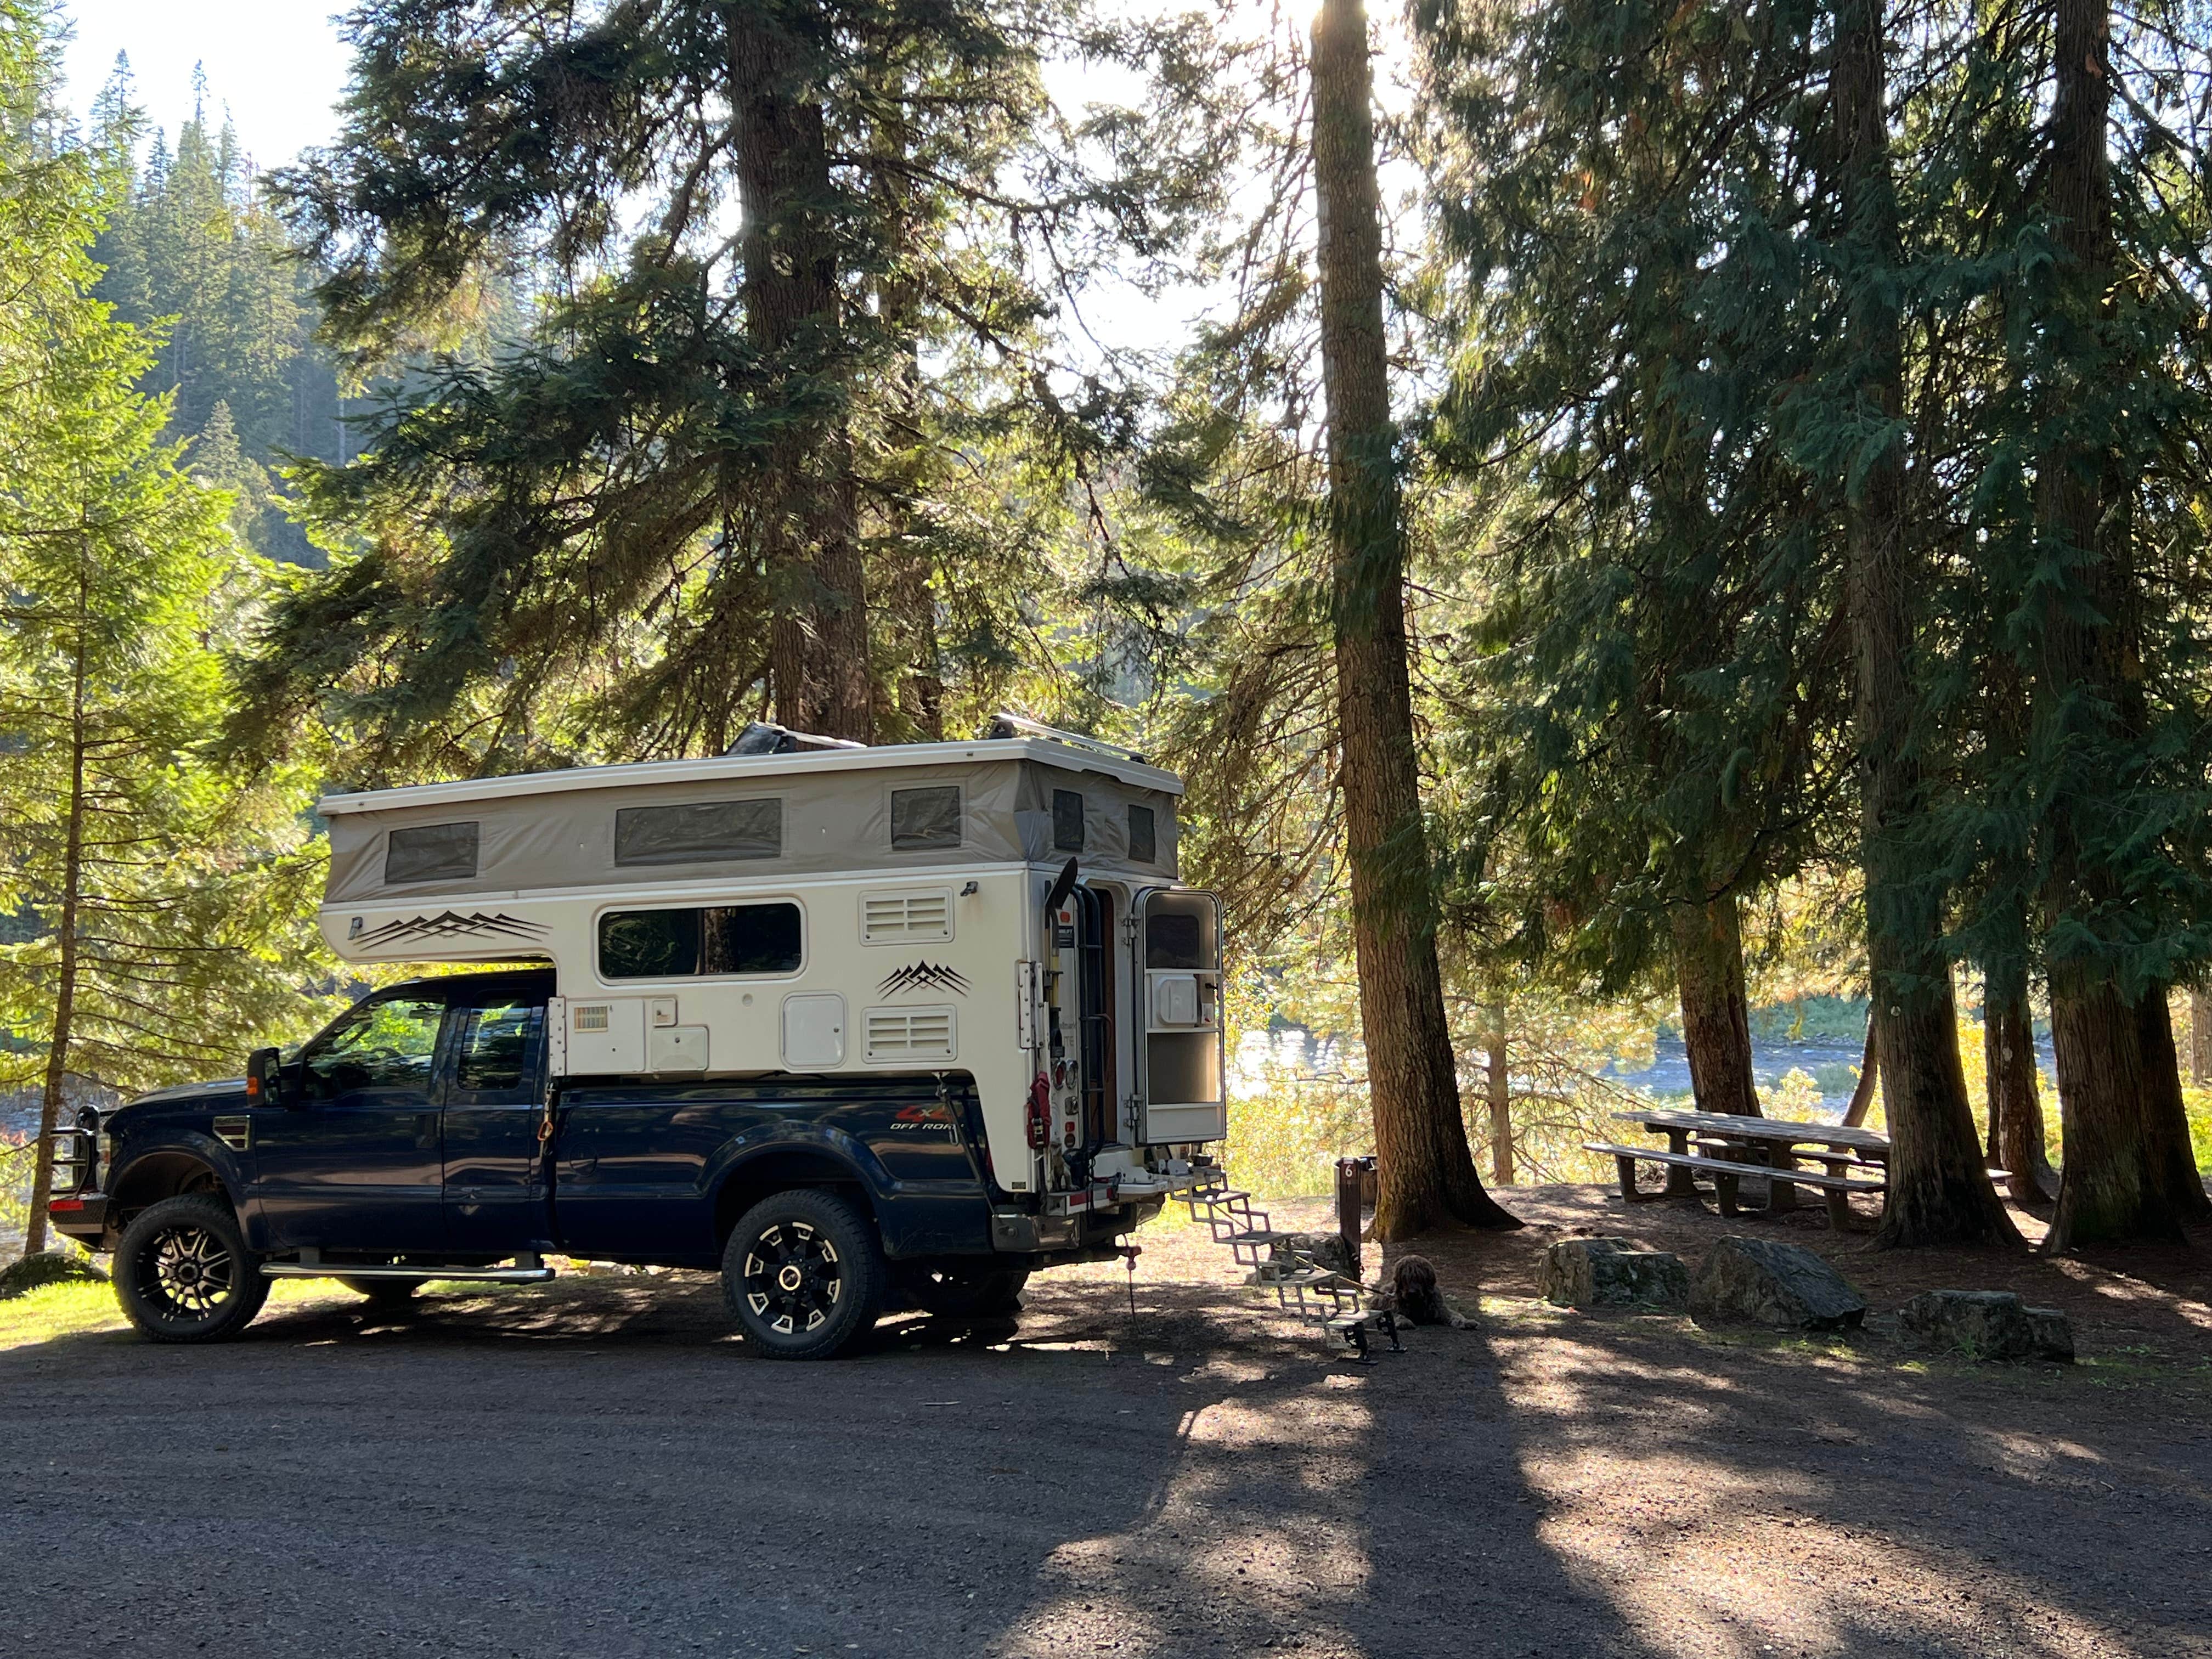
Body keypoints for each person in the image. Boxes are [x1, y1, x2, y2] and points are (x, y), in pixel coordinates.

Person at [1388, 1254, 1478, 1329]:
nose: (1412, 1290)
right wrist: (1400, 1319)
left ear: (1428, 1281)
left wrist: (1461, 1321)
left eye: (1418, 1281)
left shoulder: (1434, 1297)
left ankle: (1462, 1322)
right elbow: (1392, 1313)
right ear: (1399, 1282)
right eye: (1407, 1281)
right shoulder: (1394, 1296)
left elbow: (1446, 1314)